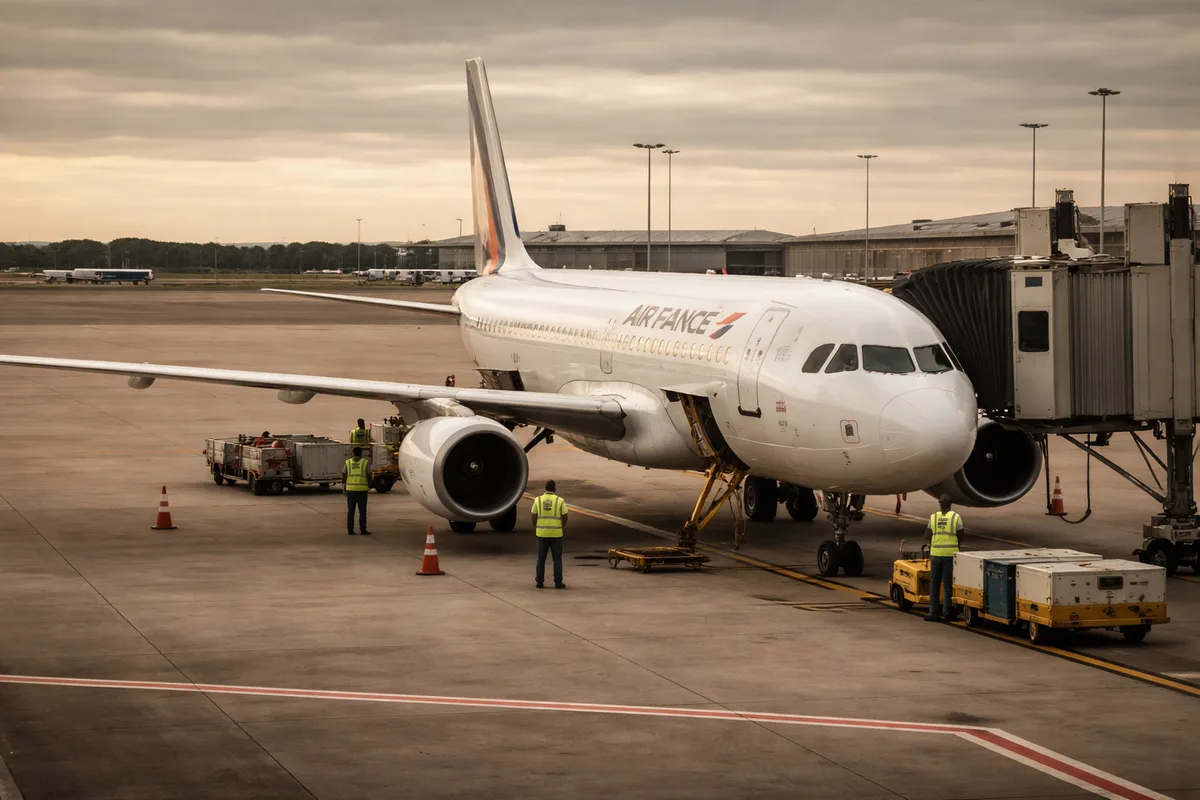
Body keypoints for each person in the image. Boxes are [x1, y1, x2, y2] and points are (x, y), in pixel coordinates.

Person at [924, 493, 963, 621]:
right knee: (947, 585)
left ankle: (932, 612)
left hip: (935, 555)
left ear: (940, 504)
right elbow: (961, 536)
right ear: (950, 504)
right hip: (949, 556)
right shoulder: (956, 517)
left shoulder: (933, 517)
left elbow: (927, 535)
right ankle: (946, 612)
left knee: (934, 584)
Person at [530, 479, 568, 589]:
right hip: (556, 534)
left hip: (542, 534)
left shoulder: (538, 500)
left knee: (540, 559)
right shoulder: (560, 501)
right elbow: (565, 516)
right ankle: (558, 582)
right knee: (557, 559)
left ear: (545, 488)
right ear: (554, 489)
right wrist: (560, 526)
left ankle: (539, 582)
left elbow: (533, 515)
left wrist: (537, 526)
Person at [342, 446, 371, 536]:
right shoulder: (365, 462)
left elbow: (344, 473)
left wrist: (344, 485)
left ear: (353, 453)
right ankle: (363, 529)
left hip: (351, 490)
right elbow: (369, 475)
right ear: (361, 453)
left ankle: (350, 530)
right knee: (362, 511)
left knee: (351, 511)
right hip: (362, 491)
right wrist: (369, 485)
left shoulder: (348, 462)